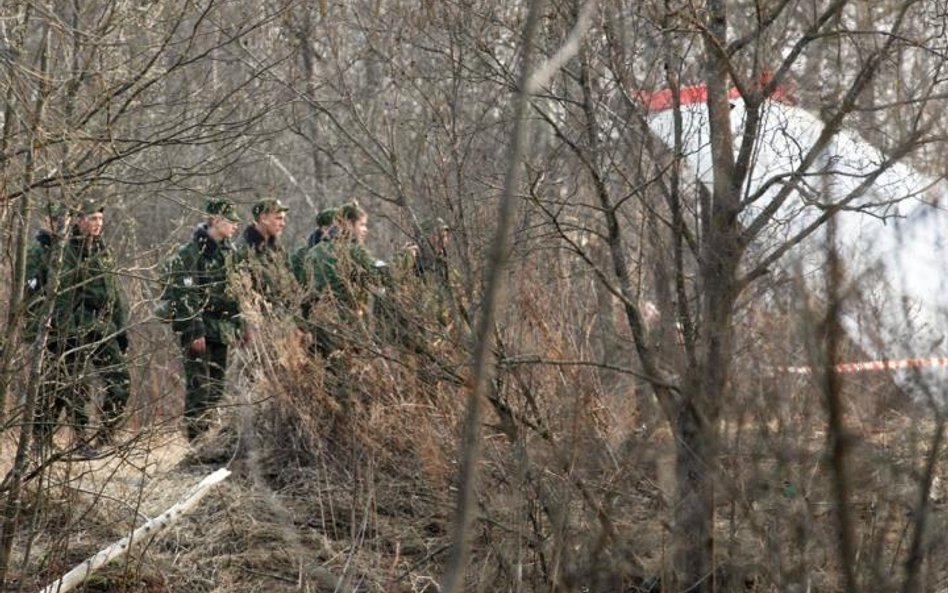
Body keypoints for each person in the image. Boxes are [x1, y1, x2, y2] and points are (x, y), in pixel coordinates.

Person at [34, 199, 131, 458]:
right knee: (73, 387)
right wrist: (65, 334)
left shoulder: (101, 249)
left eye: (100, 219)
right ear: (78, 220)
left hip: (103, 327)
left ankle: (106, 438)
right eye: (92, 218)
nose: (98, 224)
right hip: (76, 329)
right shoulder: (68, 250)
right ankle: (75, 441)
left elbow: (113, 293)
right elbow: (63, 295)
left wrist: (120, 330)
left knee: (120, 381)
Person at [163, 199, 243, 441]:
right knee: (199, 385)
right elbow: (184, 293)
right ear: (215, 221)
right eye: (230, 221)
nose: (235, 226)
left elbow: (238, 293)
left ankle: (208, 436)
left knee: (217, 386)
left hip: (222, 327)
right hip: (199, 326)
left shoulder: (231, 252)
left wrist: (239, 326)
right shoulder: (190, 253)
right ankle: (196, 439)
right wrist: (194, 331)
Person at [300, 202, 384, 356]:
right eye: (362, 225)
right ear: (349, 225)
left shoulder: (313, 252)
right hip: (345, 323)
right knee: (350, 372)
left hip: (319, 324)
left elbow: (304, 294)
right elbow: (382, 277)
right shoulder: (352, 250)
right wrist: (405, 257)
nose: (365, 230)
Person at [235, 197, 298, 316]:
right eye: (278, 218)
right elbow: (242, 296)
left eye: (283, 219)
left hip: (283, 319)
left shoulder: (278, 249)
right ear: (263, 218)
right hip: (259, 320)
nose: (283, 224)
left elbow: (292, 287)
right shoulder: (243, 250)